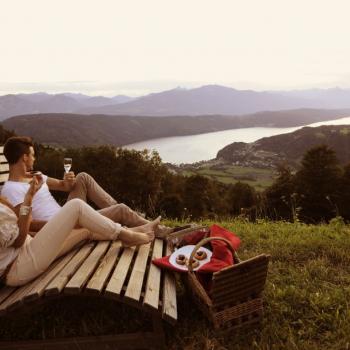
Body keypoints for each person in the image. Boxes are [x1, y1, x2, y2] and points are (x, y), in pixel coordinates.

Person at [0, 175, 158, 287]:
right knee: (76, 206)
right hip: (19, 265)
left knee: (86, 228)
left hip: (29, 249)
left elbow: (19, 227)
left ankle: (135, 230)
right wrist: (29, 198)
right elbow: (19, 239)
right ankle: (128, 235)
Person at [1, 136, 172, 237]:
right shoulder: (10, 190)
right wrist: (60, 223)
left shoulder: (37, 176)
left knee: (82, 177)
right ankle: (161, 231)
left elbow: (64, 186)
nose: (34, 158)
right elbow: (25, 225)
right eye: (32, 155)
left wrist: (67, 180)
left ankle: (125, 218)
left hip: (68, 212)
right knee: (121, 210)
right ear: (24, 157)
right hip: (60, 224)